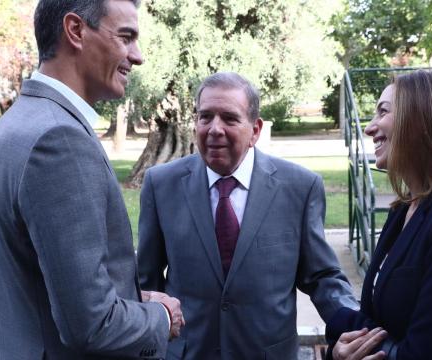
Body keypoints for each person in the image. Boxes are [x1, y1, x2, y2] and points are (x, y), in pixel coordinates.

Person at [0, 1, 183, 358]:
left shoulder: (16, 123)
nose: (137, 57)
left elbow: (46, 285)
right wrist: (161, 317)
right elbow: (91, 325)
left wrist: (133, 299)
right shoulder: (60, 140)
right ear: (75, 30)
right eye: (126, 37)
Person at [137, 71, 359, 359]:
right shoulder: (160, 184)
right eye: (205, 117)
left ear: (255, 130)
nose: (214, 128)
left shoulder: (300, 187)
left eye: (229, 118)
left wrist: (355, 324)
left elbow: (322, 277)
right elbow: (146, 281)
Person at [325, 70, 432, 360]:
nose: (370, 128)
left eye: (383, 112)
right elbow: (374, 322)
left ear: (423, 120)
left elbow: (426, 352)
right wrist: (341, 350)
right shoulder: (404, 209)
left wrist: (342, 323)